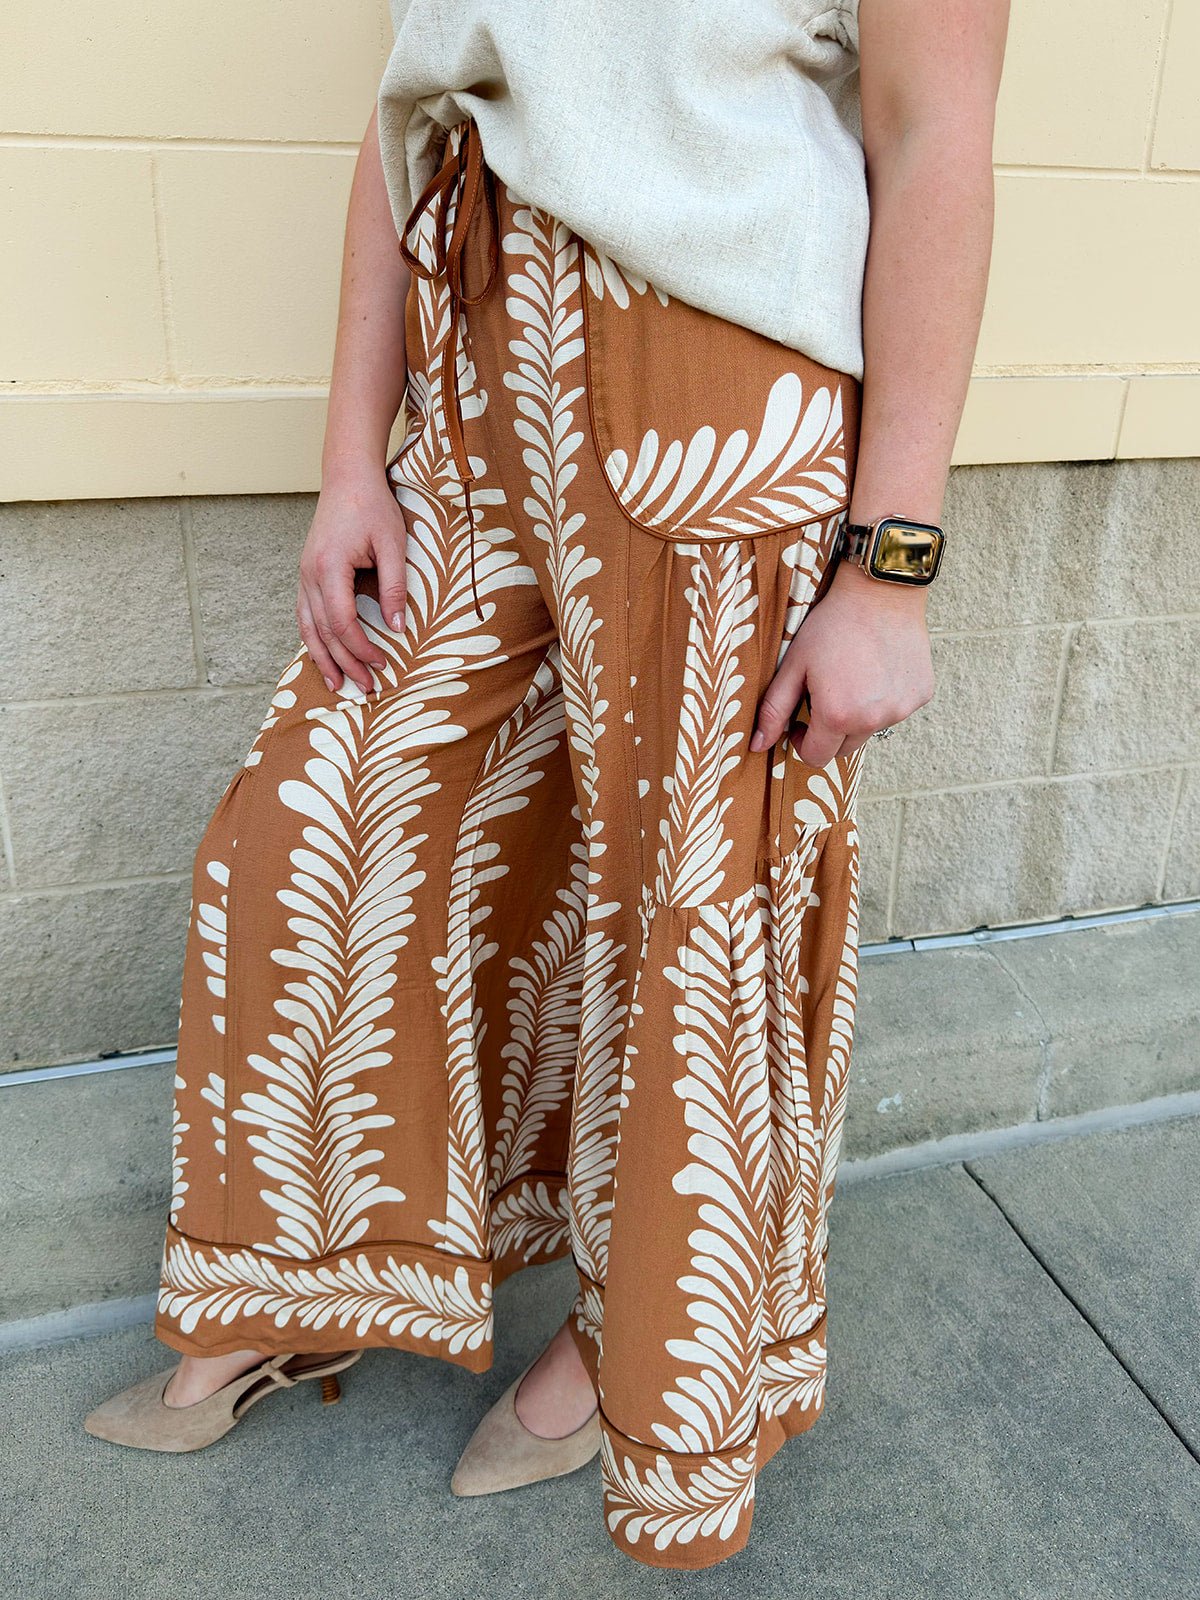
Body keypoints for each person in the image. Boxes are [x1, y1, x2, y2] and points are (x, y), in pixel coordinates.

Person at [83, 0, 1010, 1571]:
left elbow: (936, 144)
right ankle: (294, 1277)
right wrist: (350, 459)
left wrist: (890, 569)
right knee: (316, 821)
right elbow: (414, 105)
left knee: (681, 921)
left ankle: (623, 1348)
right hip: (474, 379)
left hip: (713, 397)